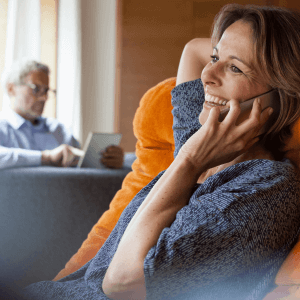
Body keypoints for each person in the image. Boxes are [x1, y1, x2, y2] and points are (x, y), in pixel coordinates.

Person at [22, 4, 300, 300]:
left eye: (235, 68)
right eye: (215, 57)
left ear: (280, 95)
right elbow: (194, 50)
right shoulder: (201, 139)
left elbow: (122, 285)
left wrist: (190, 161)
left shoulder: (266, 187)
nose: (208, 74)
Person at [0, 60, 124, 169]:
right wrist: (46, 157)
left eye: (46, 91)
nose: (44, 98)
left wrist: (108, 161)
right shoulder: (2, 128)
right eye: (36, 89)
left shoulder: (59, 130)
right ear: (11, 89)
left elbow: (82, 166)